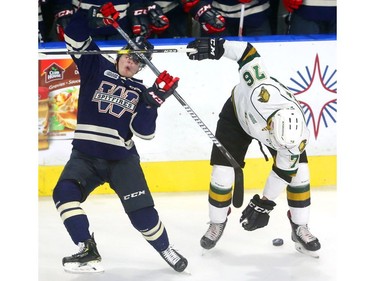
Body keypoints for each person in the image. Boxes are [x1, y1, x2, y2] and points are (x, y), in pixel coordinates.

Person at [52, 3, 188, 273]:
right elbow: (74, 37)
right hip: (85, 156)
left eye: (138, 61)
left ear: (140, 69)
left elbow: (145, 133)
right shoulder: (96, 65)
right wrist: (88, 17)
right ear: (120, 54)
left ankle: (165, 248)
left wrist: (152, 103)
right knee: (64, 193)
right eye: (129, 55)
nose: (131, 62)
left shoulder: (142, 91)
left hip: (121, 160)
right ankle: (86, 248)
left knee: (142, 216)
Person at [185, 38, 321, 257]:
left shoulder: (297, 138)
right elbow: (247, 52)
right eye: (275, 141)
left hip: (271, 126)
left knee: (300, 174)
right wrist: (216, 47)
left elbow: (283, 172)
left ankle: (300, 226)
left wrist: (264, 204)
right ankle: (216, 222)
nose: (277, 147)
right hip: (236, 116)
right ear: (270, 124)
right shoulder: (260, 89)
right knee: (222, 173)